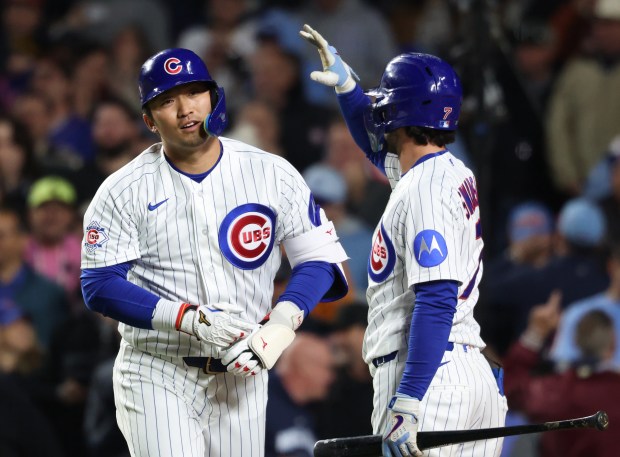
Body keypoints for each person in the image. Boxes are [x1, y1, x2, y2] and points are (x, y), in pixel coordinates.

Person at [80, 47, 349, 456]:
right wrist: (187, 318)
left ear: (214, 97)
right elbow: (99, 285)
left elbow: (320, 259)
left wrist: (279, 326)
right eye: (167, 100)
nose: (185, 108)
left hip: (244, 368)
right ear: (149, 120)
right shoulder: (122, 190)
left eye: (194, 93)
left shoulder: (271, 172)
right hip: (158, 367)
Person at [300, 25, 507, 457]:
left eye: (385, 102)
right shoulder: (451, 171)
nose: (377, 109)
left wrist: (409, 402)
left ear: (398, 114)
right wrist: (349, 87)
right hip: (467, 369)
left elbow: (436, 298)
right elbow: (380, 150)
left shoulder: (422, 191)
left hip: (426, 380)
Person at [504, 303, 620, 457]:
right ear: (613, 342)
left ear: (576, 340)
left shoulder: (560, 390)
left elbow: (510, 391)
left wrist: (536, 333)